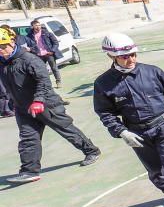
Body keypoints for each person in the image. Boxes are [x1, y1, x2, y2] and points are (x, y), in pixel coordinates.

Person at [93, 33, 164, 207]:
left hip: (163, 124)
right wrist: (122, 131)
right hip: (136, 132)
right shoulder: (103, 83)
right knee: (155, 170)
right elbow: (105, 112)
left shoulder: (153, 72)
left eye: (133, 54)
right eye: (125, 56)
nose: (130, 59)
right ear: (111, 56)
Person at [0, 28, 100, 183]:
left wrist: (38, 100)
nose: (1, 51)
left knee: (66, 129)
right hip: (24, 109)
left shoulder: (29, 60)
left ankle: (92, 151)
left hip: (46, 105)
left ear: (12, 42)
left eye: (3, 46)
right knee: (28, 139)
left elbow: (44, 82)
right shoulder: (3, 64)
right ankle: (29, 171)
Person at [25, 19, 63, 87]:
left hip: (48, 53)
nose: (38, 26)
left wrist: (52, 51)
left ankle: (58, 81)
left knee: (54, 68)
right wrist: (30, 49)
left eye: (39, 25)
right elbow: (31, 46)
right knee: (42, 71)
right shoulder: (29, 36)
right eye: (36, 25)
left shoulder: (47, 33)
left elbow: (55, 43)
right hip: (39, 55)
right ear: (32, 26)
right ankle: (47, 84)